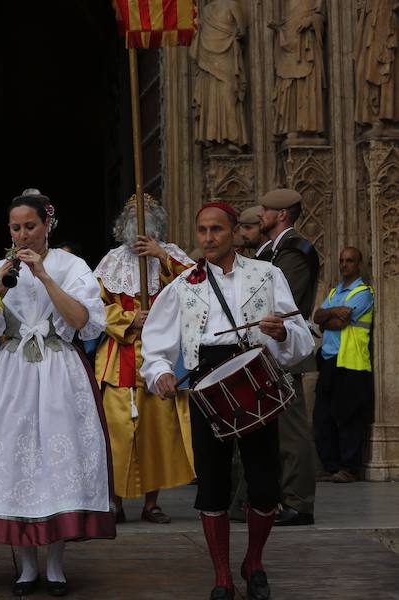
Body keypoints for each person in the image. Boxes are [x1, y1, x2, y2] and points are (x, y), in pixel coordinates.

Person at [0, 190, 115, 597]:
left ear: (47, 226)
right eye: (16, 227)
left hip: (59, 369)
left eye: (30, 227)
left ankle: (55, 565)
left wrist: (44, 277)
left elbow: (82, 320)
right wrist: (1, 287)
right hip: (11, 372)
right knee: (15, 460)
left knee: (58, 461)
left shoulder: (71, 266)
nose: (23, 235)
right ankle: (25, 567)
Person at [141, 201, 314, 600]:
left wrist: (283, 333)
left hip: (256, 378)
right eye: (201, 231)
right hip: (207, 383)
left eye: (216, 230)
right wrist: (161, 372)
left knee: (265, 485)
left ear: (235, 231)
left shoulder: (267, 275)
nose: (208, 238)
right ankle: (222, 576)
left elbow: (300, 335)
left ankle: (253, 561)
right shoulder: (184, 285)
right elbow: (155, 343)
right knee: (213, 486)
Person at [93, 197, 195, 525]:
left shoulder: (172, 253)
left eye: (146, 217)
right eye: (133, 217)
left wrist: (162, 257)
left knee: (157, 431)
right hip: (119, 357)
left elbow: (198, 286)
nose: (139, 223)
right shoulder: (111, 262)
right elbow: (92, 307)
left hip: (162, 355)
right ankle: (116, 501)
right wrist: (128, 318)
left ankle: (152, 503)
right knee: (117, 431)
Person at [258, 188, 320, 527]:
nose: (260, 213)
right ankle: (274, 497)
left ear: (282, 214)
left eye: (267, 209)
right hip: (269, 348)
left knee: (292, 429)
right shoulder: (274, 249)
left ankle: (299, 502)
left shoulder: (296, 251)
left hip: (287, 346)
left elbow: (285, 301)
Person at [313, 247, 374, 483]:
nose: (344, 264)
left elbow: (340, 323)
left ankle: (349, 468)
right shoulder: (335, 292)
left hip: (351, 361)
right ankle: (331, 466)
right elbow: (318, 317)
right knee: (323, 416)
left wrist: (328, 318)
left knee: (349, 417)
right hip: (329, 359)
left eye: (349, 261)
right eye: (341, 260)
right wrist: (331, 314)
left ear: (359, 265)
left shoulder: (363, 292)